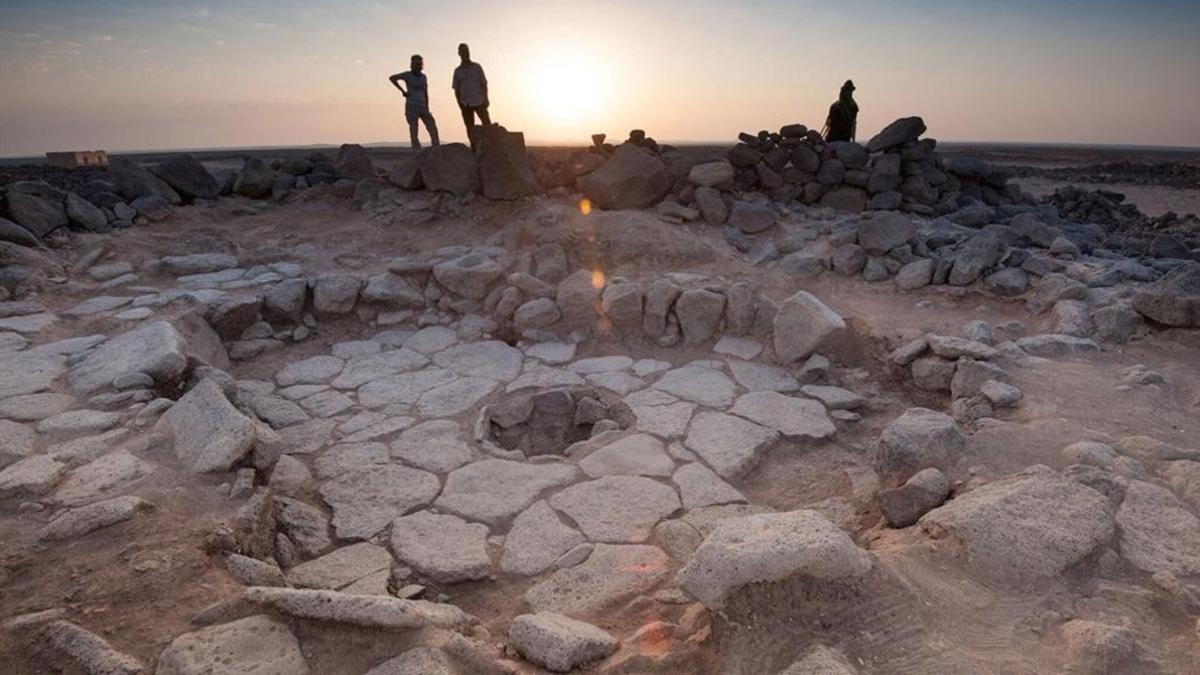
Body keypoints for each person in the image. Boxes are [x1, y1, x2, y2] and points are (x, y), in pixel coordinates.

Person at [388, 55, 439, 149]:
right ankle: (416, 150)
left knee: (432, 126)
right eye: (415, 63)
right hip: (412, 106)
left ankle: (436, 147)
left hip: (423, 105)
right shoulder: (407, 75)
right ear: (412, 64)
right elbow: (392, 78)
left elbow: (425, 92)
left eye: (419, 63)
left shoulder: (423, 77)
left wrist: (427, 106)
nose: (418, 65)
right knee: (414, 129)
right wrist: (403, 91)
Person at [452, 43, 490, 146]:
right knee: (470, 128)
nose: (465, 53)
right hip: (466, 103)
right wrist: (459, 103)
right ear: (459, 54)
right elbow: (456, 89)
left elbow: (483, 83)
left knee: (487, 125)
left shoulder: (477, 67)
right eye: (463, 51)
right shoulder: (457, 71)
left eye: (467, 50)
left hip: (479, 101)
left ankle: (491, 147)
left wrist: (486, 98)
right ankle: (474, 148)